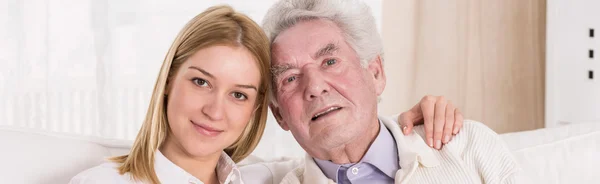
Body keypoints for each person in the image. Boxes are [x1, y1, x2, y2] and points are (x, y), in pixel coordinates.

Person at [69, 4, 463, 184]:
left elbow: (339, 148)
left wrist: (410, 123)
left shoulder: (267, 178)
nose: (214, 111)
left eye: (239, 95)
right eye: (201, 81)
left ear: (262, 110)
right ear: (169, 80)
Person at [240, 0, 526, 183]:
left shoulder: (467, 145)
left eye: (330, 61)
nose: (314, 87)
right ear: (279, 115)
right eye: (290, 78)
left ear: (375, 73)